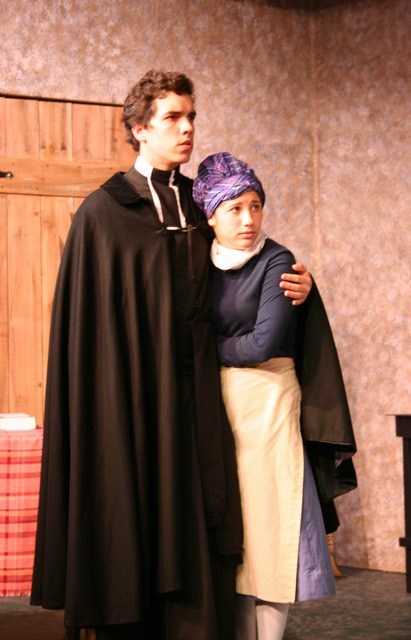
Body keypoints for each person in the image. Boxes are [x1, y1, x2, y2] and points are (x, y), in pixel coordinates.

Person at [30, 71, 312, 640]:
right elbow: (89, 328)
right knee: (136, 506)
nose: (187, 129)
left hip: (199, 397)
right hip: (133, 394)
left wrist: (302, 288)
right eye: (172, 118)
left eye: (191, 117)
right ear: (140, 128)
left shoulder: (202, 204)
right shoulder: (104, 214)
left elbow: (249, 268)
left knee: (200, 514)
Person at [192, 152, 356, 640]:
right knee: (236, 535)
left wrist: (208, 348)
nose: (249, 219)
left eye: (256, 206)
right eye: (235, 209)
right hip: (220, 406)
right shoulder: (199, 261)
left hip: (269, 403)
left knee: (270, 529)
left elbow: (263, 343)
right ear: (211, 215)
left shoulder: (276, 260)